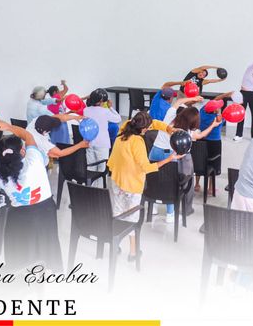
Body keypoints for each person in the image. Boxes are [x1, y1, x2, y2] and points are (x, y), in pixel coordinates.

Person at [0, 118, 62, 271]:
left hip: (18, 218)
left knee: (22, 252)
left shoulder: (3, 178)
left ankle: (22, 273)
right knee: (47, 245)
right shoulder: (35, 162)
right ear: (22, 151)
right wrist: (8, 127)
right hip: (45, 213)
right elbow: (28, 136)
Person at [108, 112, 180, 262]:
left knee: (118, 212)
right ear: (142, 129)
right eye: (147, 129)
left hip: (116, 180)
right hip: (131, 185)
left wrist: (168, 128)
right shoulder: (137, 142)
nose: (148, 130)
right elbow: (147, 167)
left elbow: (153, 123)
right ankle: (133, 252)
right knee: (132, 218)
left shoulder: (124, 128)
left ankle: (115, 245)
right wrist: (169, 159)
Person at [149, 96, 221, 222]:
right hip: (168, 156)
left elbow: (178, 101)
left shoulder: (169, 116)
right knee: (170, 183)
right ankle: (170, 213)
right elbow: (200, 135)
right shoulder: (186, 132)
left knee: (154, 178)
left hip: (155, 151)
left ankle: (153, 207)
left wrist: (193, 98)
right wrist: (213, 125)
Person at [195, 92, 231, 192]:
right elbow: (224, 117)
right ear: (215, 110)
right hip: (214, 143)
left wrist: (225, 95)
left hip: (201, 139)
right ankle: (210, 188)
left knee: (199, 161)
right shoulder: (218, 119)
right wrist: (219, 112)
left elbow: (215, 100)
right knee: (214, 163)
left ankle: (197, 184)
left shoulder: (202, 111)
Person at [83, 90, 122, 171]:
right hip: (102, 143)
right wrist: (110, 107)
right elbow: (118, 119)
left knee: (90, 168)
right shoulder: (105, 111)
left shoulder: (86, 110)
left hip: (89, 142)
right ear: (101, 101)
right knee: (101, 169)